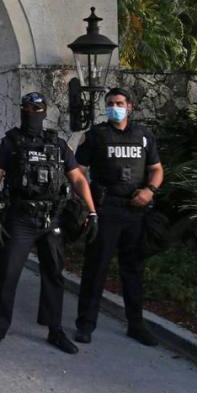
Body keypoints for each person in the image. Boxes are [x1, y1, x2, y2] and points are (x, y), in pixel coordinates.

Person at [0, 92, 98, 354]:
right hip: (20, 218)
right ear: (21, 110)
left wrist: (92, 212)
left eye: (36, 108)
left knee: (54, 276)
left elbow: (78, 178)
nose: (31, 112)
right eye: (26, 107)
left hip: (52, 217)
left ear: (44, 112)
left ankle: (55, 330)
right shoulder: (9, 143)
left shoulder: (57, 144)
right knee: (6, 275)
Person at [74, 88, 164, 347]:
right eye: (111, 103)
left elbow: (156, 169)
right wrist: (87, 204)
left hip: (136, 211)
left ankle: (136, 324)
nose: (115, 107)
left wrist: (150, 191)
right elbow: (78, 172)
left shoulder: (143, 136)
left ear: (130, 106)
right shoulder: (95, 136)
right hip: (106, 210)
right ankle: (85, 325)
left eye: (120, 103)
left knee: (134, 270)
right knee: (96, 269)